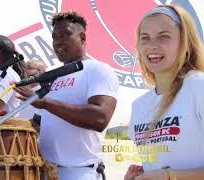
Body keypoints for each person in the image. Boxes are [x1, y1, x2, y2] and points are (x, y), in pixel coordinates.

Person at [14, 11, 118, 180]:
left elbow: (100, 119)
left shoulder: (98, 69)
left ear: (82, 38)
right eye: (55, 37)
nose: (58, 41)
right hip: (47, 171)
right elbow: (40, 124)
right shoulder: (55, 78)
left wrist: (46, 103)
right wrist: (9, 130)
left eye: (66, 34)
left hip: (80, 172)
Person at [125, 5, 204, 180]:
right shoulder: (139, 106)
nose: (152, 45)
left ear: (184, 41)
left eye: (163, 36)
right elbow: (159, 165)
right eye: (145, 38)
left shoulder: (199, 87)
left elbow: (167, 173)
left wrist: (170, 176)